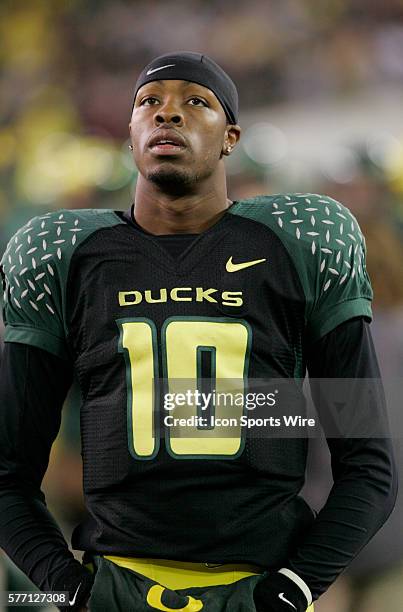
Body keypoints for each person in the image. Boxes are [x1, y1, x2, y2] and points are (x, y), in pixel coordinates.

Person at [0, 51, 397, 612]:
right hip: (115, 576)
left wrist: (293, 589)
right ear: (131, 133)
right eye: (149, 103)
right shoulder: (62, 254)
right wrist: (72, 591)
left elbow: (369, 467)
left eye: (195, 101)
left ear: (230, 135)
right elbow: (7, 474)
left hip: (259, 578)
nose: (168, 114)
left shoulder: (305, 243)